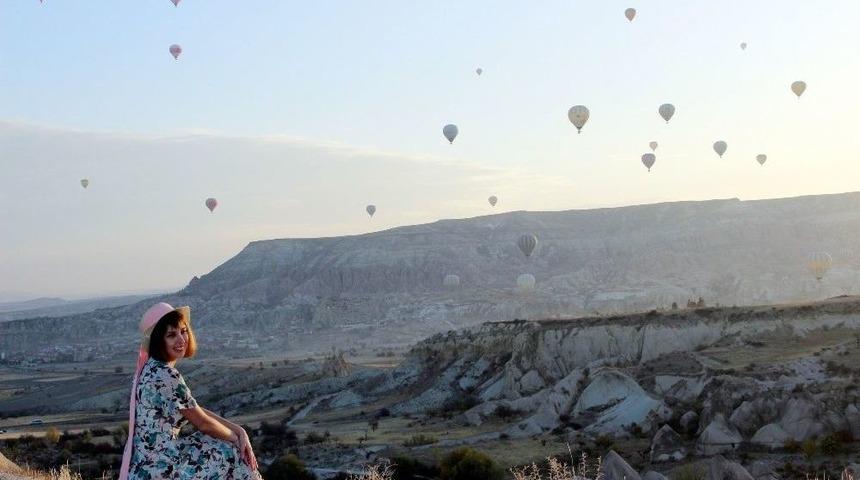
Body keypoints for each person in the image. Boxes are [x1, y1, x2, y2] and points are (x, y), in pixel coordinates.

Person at [119, 302, 262, 479]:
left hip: (146, 463)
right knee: (232, 452)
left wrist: (238, 430)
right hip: (159, 467)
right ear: (158, 341)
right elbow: (203, 423)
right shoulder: (166, 375)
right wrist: (235, 439)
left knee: (222, 444)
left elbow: (193, 409)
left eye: (183, 331)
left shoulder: (150, 369)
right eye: (172, 335)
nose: (181, 339)